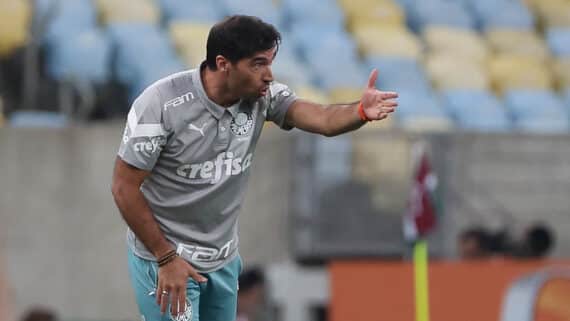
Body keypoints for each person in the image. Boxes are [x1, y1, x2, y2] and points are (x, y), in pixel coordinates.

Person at [111, 15, 398, 321]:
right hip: (167, 261)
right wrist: (165, 257)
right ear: (224, 64)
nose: (268, 75)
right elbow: (124, 186)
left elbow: (323, 120)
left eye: (270, 63)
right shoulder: (161, 104)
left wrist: (359, 112)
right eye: (258, 64)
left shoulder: (263, 97)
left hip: (222, 261)